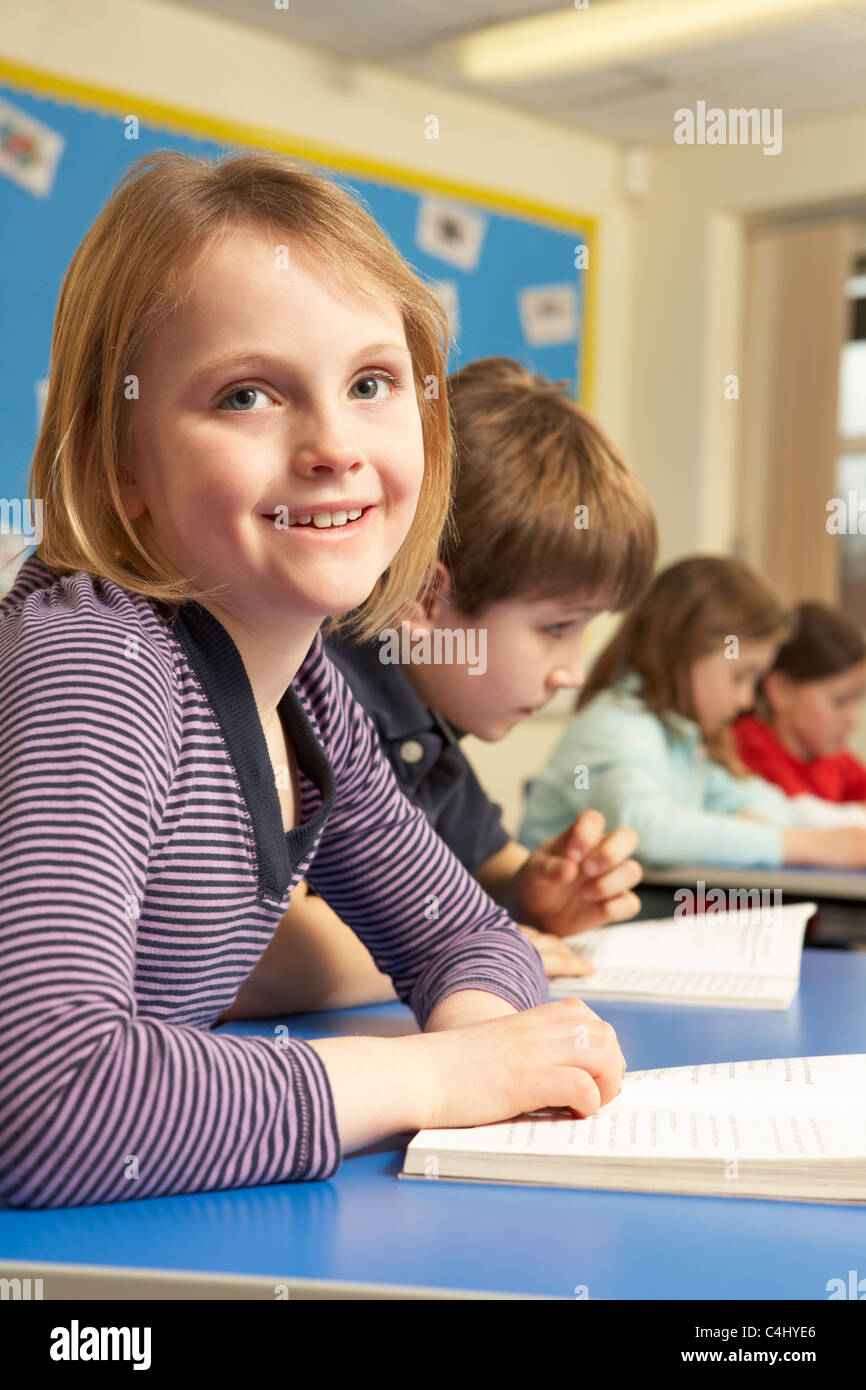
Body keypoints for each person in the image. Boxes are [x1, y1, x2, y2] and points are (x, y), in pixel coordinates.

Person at [0, 149, 626, 1210]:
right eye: (248, 394)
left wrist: (492, 1046)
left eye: (371, 383)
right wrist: (435, 1072)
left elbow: (460, 929)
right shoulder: (96, 666)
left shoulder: (308, 690)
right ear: (123, 468)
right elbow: (40, 1099)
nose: (335, 443)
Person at [223, 357, 657, 1018]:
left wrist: (537, 893)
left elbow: (487, 867)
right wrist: (489, 947)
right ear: (426, 600)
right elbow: (260, 957)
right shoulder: (315, 695)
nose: (571, 670)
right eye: (557, 627)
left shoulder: (425, 726)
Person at [519, 556, 866, 869]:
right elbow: (652, 831)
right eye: (740, 677)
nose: (747, 700)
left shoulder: (683, 736)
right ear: (686, 652)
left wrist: (747, 823)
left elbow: (763, 801)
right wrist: (804, 846)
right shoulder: (617, 723)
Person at [734, 601, 866, 807]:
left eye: (858, 700)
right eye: (839, 702)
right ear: (781, 690)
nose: (853, 719)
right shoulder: (747, 751)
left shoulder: (831, 758)